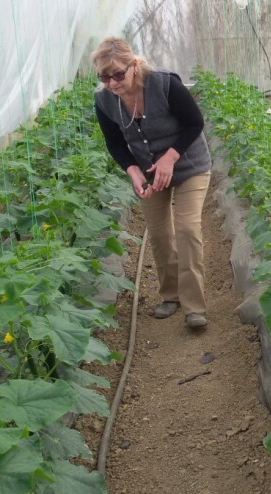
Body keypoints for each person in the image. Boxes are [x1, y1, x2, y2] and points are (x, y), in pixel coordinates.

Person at [91, 37, 212, 330]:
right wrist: (132, 170)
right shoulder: (104, 100)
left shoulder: (164, 85)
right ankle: (170, 295)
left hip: (189, 165)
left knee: (186, 228)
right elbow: (115, 143)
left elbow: (195, 123)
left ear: (134, 66)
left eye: (118, 74)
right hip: (148, 170)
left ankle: (194, 306)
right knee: (158, 234)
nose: (112, 83)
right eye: (105, 77)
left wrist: (170, 158)